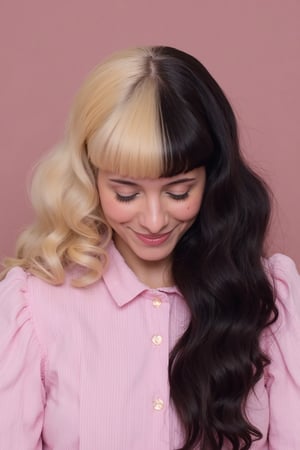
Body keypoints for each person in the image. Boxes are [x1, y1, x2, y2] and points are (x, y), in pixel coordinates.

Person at [0, 46, 299, 450]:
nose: (154, 221)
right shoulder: (33, 305)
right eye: (126, 194)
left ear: (212, 178)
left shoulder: (271, 296)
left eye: (179, 191)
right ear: (90, 176)